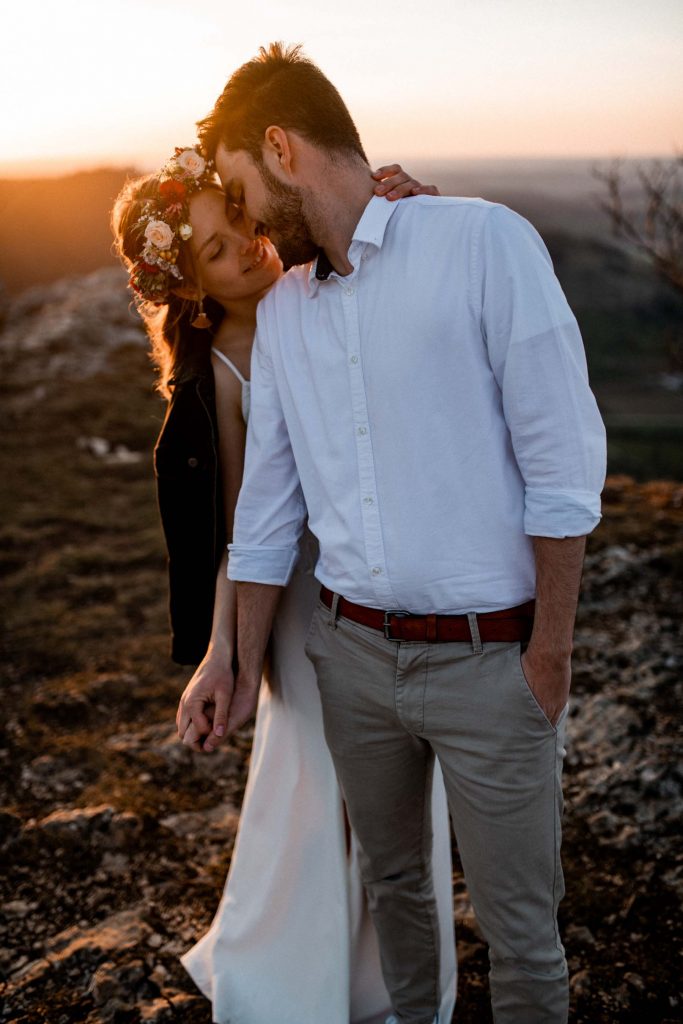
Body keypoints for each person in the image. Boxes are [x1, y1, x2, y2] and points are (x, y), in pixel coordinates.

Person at [195, 43, 608, 1024]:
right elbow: (265, 514)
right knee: (395, 902)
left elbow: (562, 471)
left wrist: (544, 657)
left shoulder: (481, 243)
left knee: (520, 935)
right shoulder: (288, 310)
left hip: (490, 663)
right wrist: (235, 661)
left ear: (281, 147)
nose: (243, 220)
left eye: (240, 188)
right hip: (353, 663)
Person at [111, 147, 457, 1024]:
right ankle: (301, 974)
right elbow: (242, 535)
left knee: (403, 778)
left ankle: (392, 969)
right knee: (320, 782)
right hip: (299, 600)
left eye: (241, 222)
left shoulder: (321, 279)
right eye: (220, 251)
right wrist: (227, 655)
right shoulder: (225, 367)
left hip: (394, 569)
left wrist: (409, 210)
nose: (250, 248)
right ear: (191, 292)